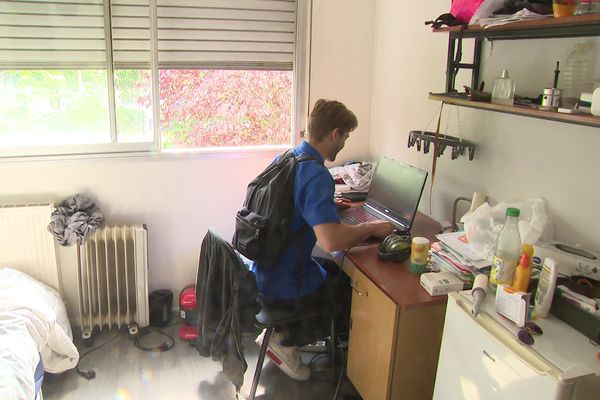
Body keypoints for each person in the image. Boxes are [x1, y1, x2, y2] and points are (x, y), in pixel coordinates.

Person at [251, 99, 395, 381]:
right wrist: (373, 228)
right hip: (286, 284)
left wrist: (326, 207)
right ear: (334, 134)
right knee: (352, 294)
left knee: (335, 272)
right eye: (346, 136)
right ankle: (287, 341)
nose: (344, 144)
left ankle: (281, 332)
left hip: (266, 272)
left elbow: (289, 206)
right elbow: (330, 241)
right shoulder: (316, 174)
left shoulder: (287, 158)